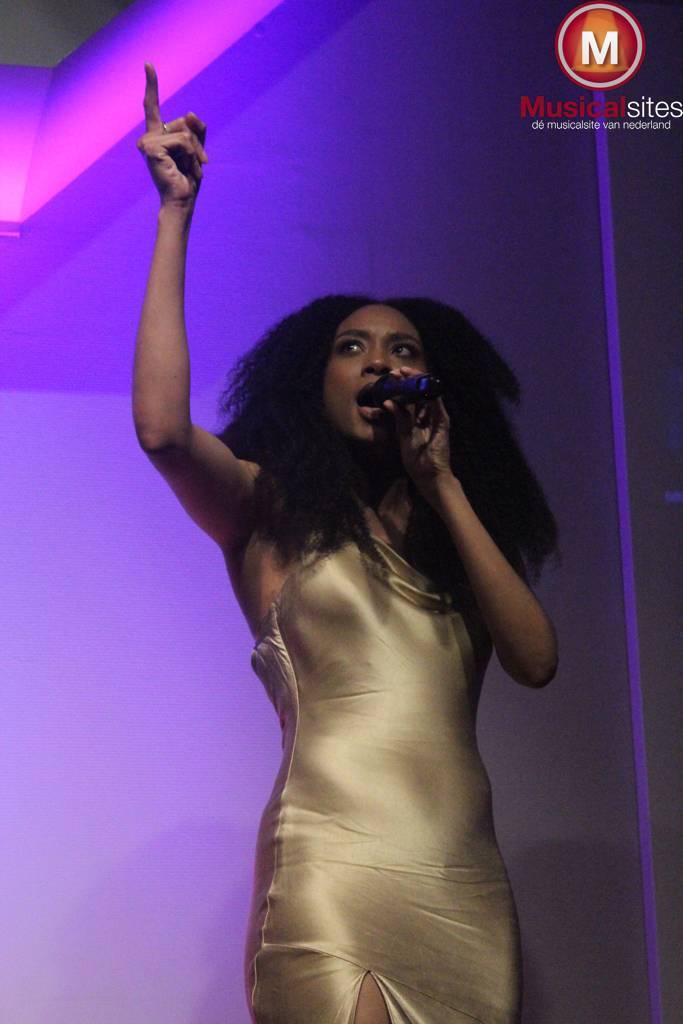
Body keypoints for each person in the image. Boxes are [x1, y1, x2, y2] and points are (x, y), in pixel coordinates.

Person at [133, 63, 559, 1024]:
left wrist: (439, 482)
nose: (379, 362)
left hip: (461, 888)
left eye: (402, 350)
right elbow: (162, 432)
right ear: (313, 382)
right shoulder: (271, 513)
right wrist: (175, 216)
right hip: (332, 873)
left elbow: (536, 661)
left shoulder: (453, 539)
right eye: (352, 347)